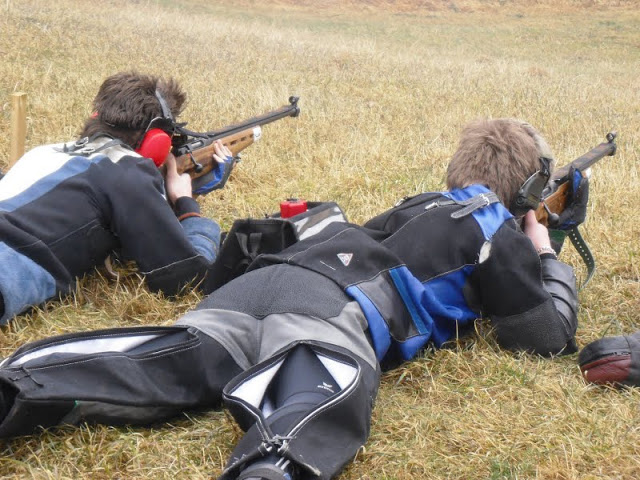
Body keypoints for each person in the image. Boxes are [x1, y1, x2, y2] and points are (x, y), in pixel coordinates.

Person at [0, 118, 580, 480]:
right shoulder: (494, 228)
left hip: (257, 285)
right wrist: (545, 254)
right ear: (530, 193)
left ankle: (21, 383)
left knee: (160, 358)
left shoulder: (417, 204)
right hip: (329, 307)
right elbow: (545, 336)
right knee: (313, 394)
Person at [0, 71, 228, 325]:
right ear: (156, 142)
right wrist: (187, 205)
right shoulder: (126, 171)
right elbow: (185, 280)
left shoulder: (42, 153)